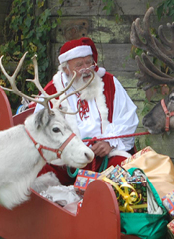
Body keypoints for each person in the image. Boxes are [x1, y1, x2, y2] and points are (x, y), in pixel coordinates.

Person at [32, 37, 139, 184]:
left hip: (105, 157)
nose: (86, 69)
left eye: (89, 62)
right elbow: (39, 133)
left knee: (129, 170)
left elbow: (128, 117)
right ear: (65, 69)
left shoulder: (108, 83)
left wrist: (109, 142)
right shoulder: (51, 92)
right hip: (67, 162)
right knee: (40, 174)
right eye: (79, 65)